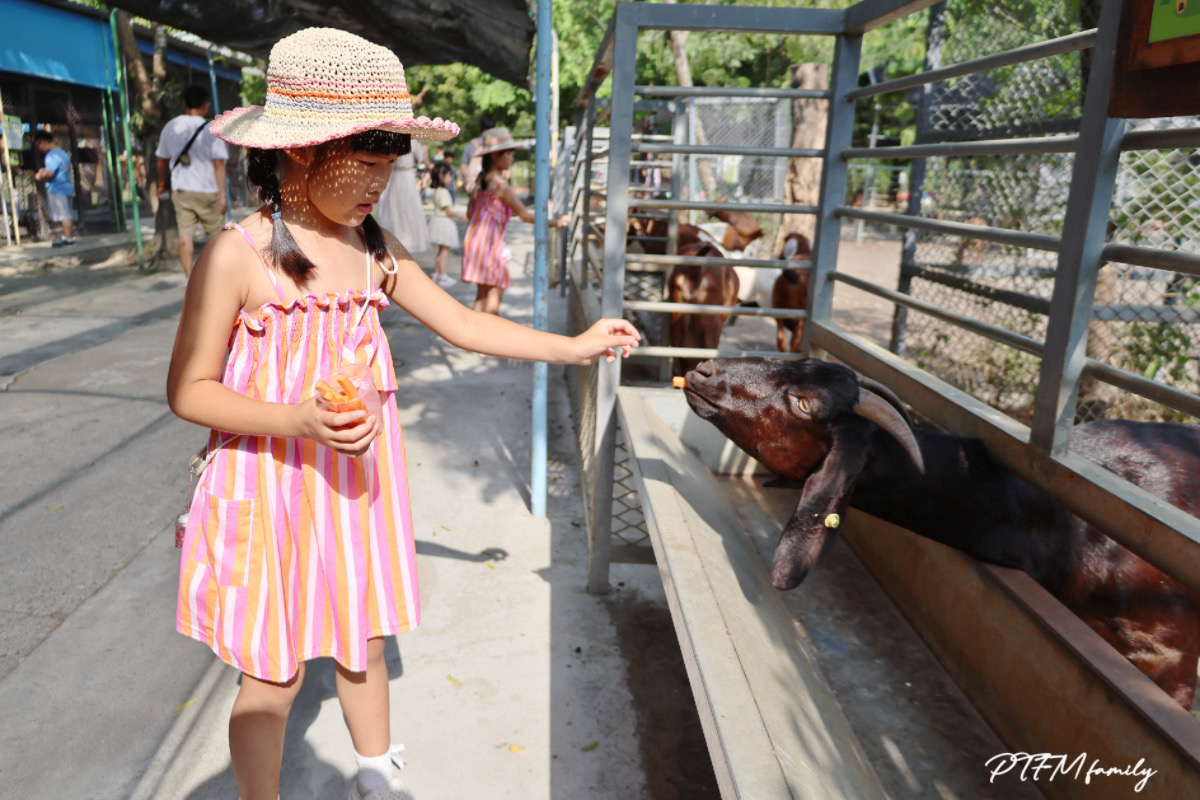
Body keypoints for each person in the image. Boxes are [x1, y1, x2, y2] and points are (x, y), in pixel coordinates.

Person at [166, 28, 638, 800]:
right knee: (274, 677)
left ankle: (377, 777)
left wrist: (574, 346)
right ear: (301, 152)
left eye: (389, 168)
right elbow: (189, 391)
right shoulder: (238, 258)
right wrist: (299, 420)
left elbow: (466, 325)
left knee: (364, 642)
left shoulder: (377, 250)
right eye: (370, 166)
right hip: (268, 491)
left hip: (354, 489)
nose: (380, 187)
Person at [461, 128, 569, 315]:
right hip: (489, 246)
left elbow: (472, 213)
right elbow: (525, 215)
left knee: (481, 295)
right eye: (509, 154)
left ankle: (471, 341)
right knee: (494, 298)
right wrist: (556, 222)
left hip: (474, 242)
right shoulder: (501, 186)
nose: (512, 159)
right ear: (495, 154)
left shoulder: (480, 180)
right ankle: (488, 342)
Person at [156, 85, 229, 276]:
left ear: (184, 103)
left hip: (181, 190)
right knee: (218, 238)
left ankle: (190, 279)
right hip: (208, 191)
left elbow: (161, 161)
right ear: (205, 105)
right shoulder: (212, 129)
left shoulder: (171, 126)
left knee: (185, 236)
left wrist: (163, 183)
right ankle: (218, 278)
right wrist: (223, 196)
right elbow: (218, 165)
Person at [374, 136, 428, 253]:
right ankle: (394, 236)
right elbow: (421, 158)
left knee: (406, 207)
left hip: (405, 177)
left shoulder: (412, 141)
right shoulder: (393, 139)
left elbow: (420, 157)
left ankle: (406, 238)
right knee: (394, 207)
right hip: (395, 177)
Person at [32, 130, 75, 246]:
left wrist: (39, 175)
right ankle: (67, 237)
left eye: (38, 145)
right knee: (66, 214)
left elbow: (50, 173)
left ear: (42, 142)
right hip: (67, 186)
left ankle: (68, 239)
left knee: (64, 215)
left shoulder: (51, 155)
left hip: (58, 188)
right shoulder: (62, 153)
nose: (39, 148)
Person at [426, 161, 466, 287]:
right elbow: (448, 211)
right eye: (449, 175)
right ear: (442, 176)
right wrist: (460, 216)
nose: (451, 178)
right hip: (444, 223)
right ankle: (442, 276)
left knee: (441, 251)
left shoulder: (438, 191)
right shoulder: (443, 192)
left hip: (438, 222)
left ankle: (437, 273)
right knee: (445, 252)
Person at [459, 113, 495, 201]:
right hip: (492, 186)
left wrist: (469, 179)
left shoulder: (470, 145)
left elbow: (463, 168)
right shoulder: (496, 146)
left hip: (474, 187)